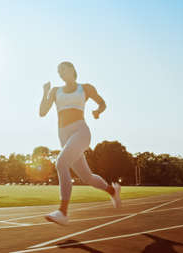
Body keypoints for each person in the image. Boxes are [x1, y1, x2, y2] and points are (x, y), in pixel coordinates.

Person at [39, 61, 121, 226]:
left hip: (81, 132)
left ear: (72, 70)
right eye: (58, 71)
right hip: (64, 137)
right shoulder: (55, 91)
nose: (61, 73)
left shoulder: (85, 88)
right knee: (87, 177)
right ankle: (112, 190)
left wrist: (98, 111)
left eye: (63, 69)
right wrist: (45, 92)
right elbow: (42, 112)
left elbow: (102, 103)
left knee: (61, 163)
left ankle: (63, 212)